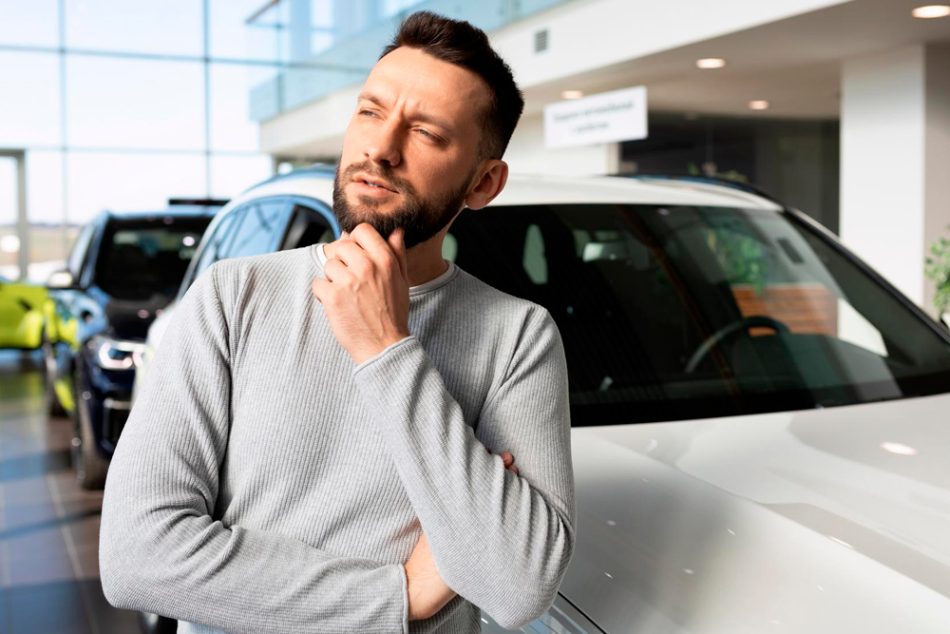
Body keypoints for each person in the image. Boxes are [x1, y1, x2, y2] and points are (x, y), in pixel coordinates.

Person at [100, 11, 575, 633]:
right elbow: (135, 558)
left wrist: (385, 348)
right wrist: (399, 596)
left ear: (483, 183)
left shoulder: (519, 337)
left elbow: (516, 587)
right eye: (370, 111)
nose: (380, 148)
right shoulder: (231, 296)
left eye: (426, 132)